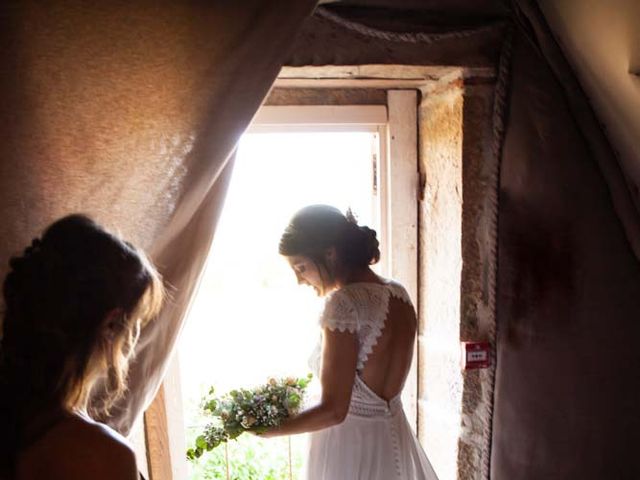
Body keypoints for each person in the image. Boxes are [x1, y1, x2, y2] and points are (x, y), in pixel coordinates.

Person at [261, 205, 438, 479]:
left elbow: (334, 410)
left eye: (301, 267)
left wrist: (270, 430)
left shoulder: (343, 304)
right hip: (392, 438)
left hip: (349, 448)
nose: (299, 280)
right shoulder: (398, 293)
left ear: (330, 254)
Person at [0, 214, 164, 480]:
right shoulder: (99, 455)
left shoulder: (21, 426)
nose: (132, 343)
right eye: (135, 323)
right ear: (110, 325)